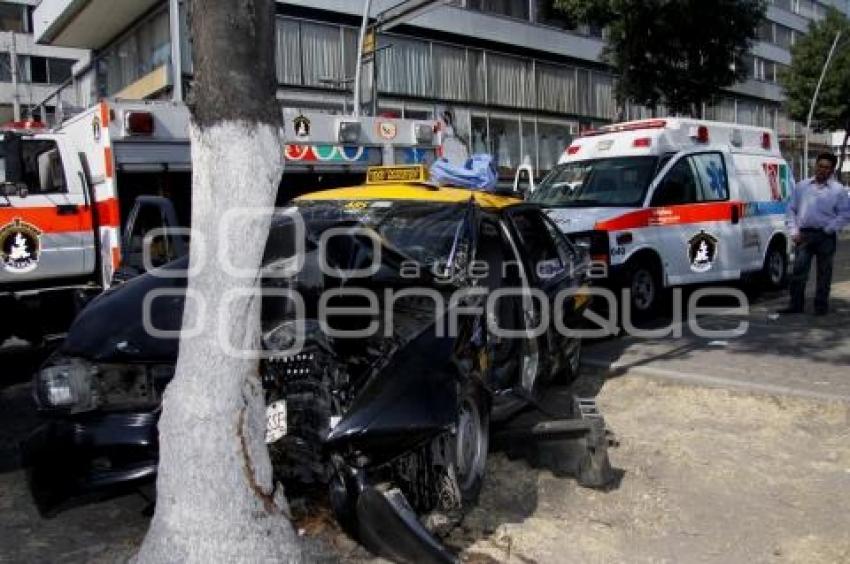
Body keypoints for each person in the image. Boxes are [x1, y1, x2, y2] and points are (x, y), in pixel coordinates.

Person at [779, 152, 850, 315]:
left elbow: (845, 214)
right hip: (804, 235)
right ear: (815, 165)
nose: (822, 170)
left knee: (824, 273)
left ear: (832, 170)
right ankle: (795, 305)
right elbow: (790, 209)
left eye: (827, 167)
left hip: (826, 236)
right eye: (820, 166)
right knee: (798, 272)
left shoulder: (838, 191)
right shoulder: (802, 186)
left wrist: (829, 229)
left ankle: (820, 307)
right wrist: (794, 231)